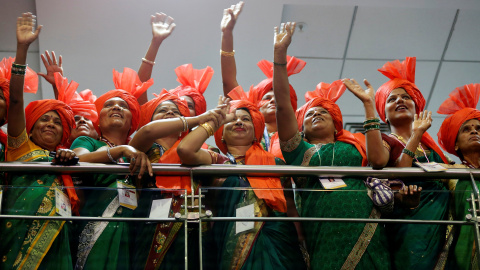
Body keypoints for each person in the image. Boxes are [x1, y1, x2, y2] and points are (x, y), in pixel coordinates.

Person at [273, 22, 391, 269]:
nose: (316, 115)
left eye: (323, 112)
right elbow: (283, 105)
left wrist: (369, 105)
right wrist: (280, 55)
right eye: (309, 114)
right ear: (300, 128)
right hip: (322, 229)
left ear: (337, 123)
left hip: (367, 223)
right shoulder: (298, 151)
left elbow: (379, 161)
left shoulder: (356, 145)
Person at [176, 94, 306, 270]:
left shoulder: (275, 164)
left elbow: (290, 207)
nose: (239, 122)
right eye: (232, 119)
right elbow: (185, 150)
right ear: (221, 134)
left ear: (256, 131)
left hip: (278, 243)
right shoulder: (216, 161)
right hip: (226, 240)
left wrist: (301, 242)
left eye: (246, 119)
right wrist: (215, 121)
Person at [345, 56, 450, 269]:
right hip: (410, 224)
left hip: (444, 221)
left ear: (417, 106)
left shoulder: (433, 149)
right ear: (384, 114)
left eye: (405, 97)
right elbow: (379, 162)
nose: (400, 101)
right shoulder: (387, 141)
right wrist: (368, 104)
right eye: (392, 99)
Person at [0, 12, 79, 269]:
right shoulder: (19, 145)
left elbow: (67, 114)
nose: (51, 124)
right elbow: (15, 101)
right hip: (16, 235)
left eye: (57, 123)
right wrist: (22, 49)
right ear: (30, 129)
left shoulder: (66, 155)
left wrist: (59, 84)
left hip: (59, 236)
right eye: (44, 120)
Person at [71, 68, 152, 269]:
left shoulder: (139, 149)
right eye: (109, 105)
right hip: (98, 222)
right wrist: (119, 151)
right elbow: (79, 160)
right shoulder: (89, 142)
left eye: (123, 106)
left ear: (132, 120)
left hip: (133, 226)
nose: (116, 107)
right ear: (99, 118)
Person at [128, 89, 216, 269]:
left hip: (195, 226)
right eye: (162, 110)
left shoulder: (196, 151)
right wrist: (200, 119)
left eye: (176, 112)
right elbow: (147, 132)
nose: (169, 113)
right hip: (149, 224)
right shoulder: (143, 147)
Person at [220, 1, 306, 160]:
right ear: (255, 104)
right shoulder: (244, 126)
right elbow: (228, 82)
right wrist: (227, 33)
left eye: (276, 98)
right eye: (267, 97)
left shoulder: (298, 136)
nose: (273, 100)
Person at [437, 83, 480, 269]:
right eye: (466, 129)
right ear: (455, 145)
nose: (474, 131)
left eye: (479, 128)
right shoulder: (450, 170)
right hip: (464, 249)